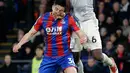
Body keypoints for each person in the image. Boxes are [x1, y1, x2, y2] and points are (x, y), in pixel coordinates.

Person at [13, 0, 87, 73]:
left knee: (72, 71)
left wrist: (83, 37)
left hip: (65, 55)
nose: (58, 12)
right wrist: (19, 44)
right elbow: (30, 33)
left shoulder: (69, 18)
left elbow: (79, 32)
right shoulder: (43, 18)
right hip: (49, 57)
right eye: (56, 9)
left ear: (64, 11)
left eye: (61, 10)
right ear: (52, 7)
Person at [66, 0, 118, 73]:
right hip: (75, 22)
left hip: (89, 22)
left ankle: (111, 63)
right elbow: (66, 6)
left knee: (97, 55)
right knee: (74, 58)